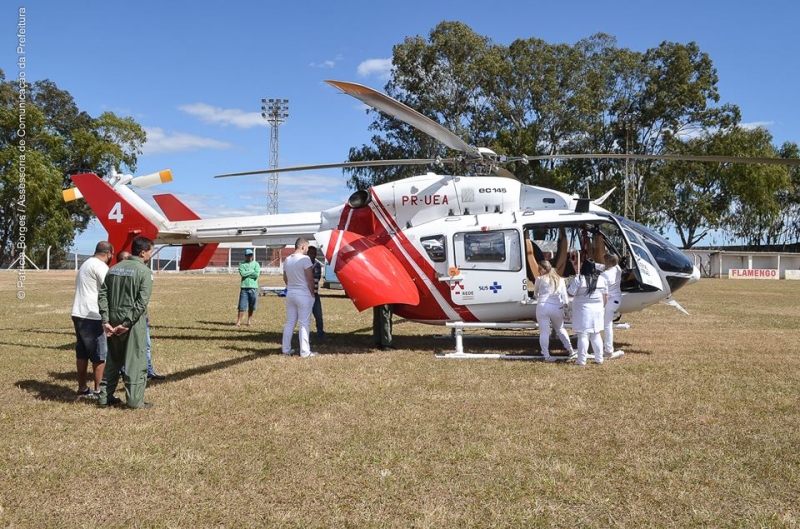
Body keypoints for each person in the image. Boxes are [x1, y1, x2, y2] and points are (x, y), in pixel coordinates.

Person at [96, 237, 155, 409]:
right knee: (136, 361)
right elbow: (141, 302)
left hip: (112, 320)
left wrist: (105, 320)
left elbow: (102, 295)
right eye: (150, 251)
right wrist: (128, 323)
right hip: (132, 323)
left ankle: (104, 397)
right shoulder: (144, 271)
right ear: (142, 252)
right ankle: (135, 401)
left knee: (113, 360)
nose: (150, 255)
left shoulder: (114, 268)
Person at [71, 241, 113, 397]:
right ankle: (98, 390)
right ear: (108, 253)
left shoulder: (86, 263)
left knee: (82, 353)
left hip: (78, 312)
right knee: (99, 355)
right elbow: (108, 288)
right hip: (93, 314)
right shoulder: (100, 266)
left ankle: (82, 387)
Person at [117, 250, 165, 380]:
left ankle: (148, 371)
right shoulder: (117, 275)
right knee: (125, 347)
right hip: (127, 317)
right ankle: (124, 371)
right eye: (124, 260)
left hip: (140, 316)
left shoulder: (140, 272)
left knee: (146, 346)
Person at [281, 238, 317, 358]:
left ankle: (286, 349)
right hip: (303, 294)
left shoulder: (287, 259)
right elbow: (310, 278)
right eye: (307, 247)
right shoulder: (305, 259)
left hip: (291, 293)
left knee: (290, 322)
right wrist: (312, 293)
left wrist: (290, 287)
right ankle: (305, 352)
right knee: (304, 323)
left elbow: (285, 278)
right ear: (303, 247)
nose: (307, 250)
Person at [568, 259, 608, 366]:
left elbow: (571, 293)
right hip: (598, 310)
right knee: (596, 334)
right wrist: (602, 307)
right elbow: (606, 296)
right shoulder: (601, 279)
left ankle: (581, 360)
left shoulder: (579, 279)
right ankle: (599, 359)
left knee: (583, 335)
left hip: (583, 310)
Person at [533, 261, 575, 362]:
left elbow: (535, 293)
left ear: (543, 269)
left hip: (543, 306)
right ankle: (570, 350)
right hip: (557, 307)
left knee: (544, 332)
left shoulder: (540, 279)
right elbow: (565, 298)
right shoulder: (560, 280)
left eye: (539, 269)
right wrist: (566, 309)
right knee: (560, 328)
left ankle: (546, 355)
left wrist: (537, 296)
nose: (538, 271)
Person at [598, 253, 623, 357]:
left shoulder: (605, 275)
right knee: (607, 324)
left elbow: (601, 289)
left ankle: (608, 349)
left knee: (607, 325)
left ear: (608, 262)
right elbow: (603, 267)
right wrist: (594, 265)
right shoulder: (618, 268)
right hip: (617, 299)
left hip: (609, 300)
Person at [236, 248, 260, 327]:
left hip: (254, 288)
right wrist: (252, 271)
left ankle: (249, 321)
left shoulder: (256, 264)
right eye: (248, 255)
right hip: (244, 288)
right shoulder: (241, 264)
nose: (250, 256)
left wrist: (248, 273)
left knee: (252, 306)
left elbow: (256, 275)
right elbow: (242, 274)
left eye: (251, 255)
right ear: (245, 256)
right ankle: (239, 321)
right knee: (241, 306)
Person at [306, 246, 325, 340]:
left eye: (315, 254)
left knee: (319, 315)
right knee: (306, 316)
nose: (313, 256)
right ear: (307, 254)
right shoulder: (305, 265)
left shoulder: (317, 265)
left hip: (315, 294)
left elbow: (318, 277)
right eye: (311, 253)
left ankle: (320, 333)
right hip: (306, 295)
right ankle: (306, 334)